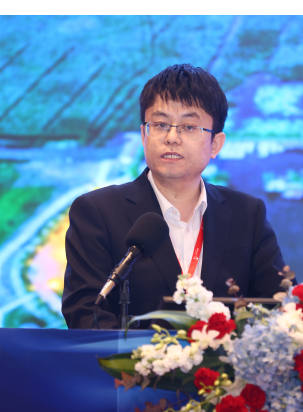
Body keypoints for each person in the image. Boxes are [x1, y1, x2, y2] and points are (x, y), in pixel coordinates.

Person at [62, 64, 289, 329]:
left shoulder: (247, 214)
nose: (172, 137)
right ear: (144, 135)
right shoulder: (97, 212)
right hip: (131, 357)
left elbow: (280, 306)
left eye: (189, 127)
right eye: (160, 124)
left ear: (215, 144)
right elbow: (86, 312)